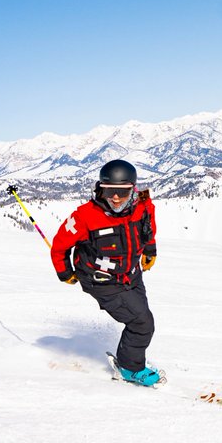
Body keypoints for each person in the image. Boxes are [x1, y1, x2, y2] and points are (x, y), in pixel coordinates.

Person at [51, 159, 161, 386]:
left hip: (132, 274)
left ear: (133, 189)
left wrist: (149, 250)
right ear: (100, 189)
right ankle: (130, 369)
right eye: (109, 191)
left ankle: (130, 359)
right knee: (142, 323)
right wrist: (65, 272)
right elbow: (60, 245)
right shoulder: (85, 217)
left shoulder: (143, 206)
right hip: (102, 281)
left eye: (122, 192)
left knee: (140, 318)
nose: (115, 197)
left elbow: (148, 229)